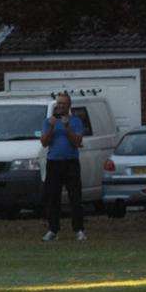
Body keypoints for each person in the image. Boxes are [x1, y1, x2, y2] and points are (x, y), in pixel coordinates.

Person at [40, 92, 85, 241]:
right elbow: (44, 142)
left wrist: (67, 127)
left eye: (63, 104)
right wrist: (52, 127)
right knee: (52, 197)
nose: (60, 106)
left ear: (68, 106)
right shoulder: (48, 121)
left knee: (75, 197)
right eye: (58, 103)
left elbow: (77, 142)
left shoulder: (76, 121)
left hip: (70, 162)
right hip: (54, 162)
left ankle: (78, 229)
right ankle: (53, 230)